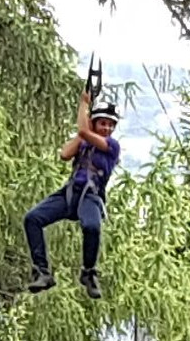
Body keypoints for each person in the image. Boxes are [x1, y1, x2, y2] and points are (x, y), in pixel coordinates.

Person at [24, 91, 120, 299]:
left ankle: (89, 272)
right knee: (32, 219)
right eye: (102, 124)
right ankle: (42, 271)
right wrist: (84, 132)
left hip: (90, 197)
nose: (107, 128)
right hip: (70, 193)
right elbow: (65, 154)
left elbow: (84, 131)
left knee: (92, 227)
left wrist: (84, 104)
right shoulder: (83, 141)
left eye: (110, 125)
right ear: (94, 124)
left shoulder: (112, 146)